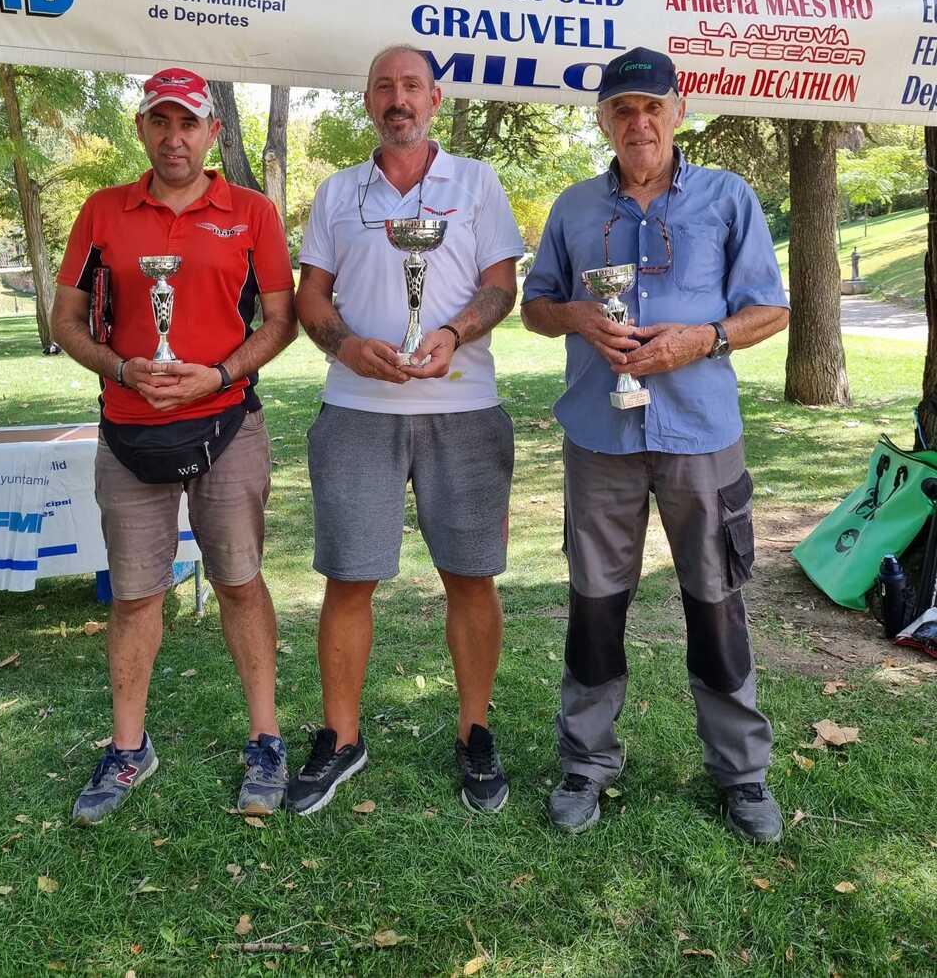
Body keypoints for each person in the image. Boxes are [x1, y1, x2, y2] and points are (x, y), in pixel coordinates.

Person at [521, 47, 790, 842]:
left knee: (716, 603)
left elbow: (769, 309)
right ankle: (587, 763)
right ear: (603, 120)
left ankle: (742, 775)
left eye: (651, 107)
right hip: (599, 435)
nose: (637, 122)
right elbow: (536, 307)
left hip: (700, 434)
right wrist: (578, 316)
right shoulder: (574, 208)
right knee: (596, 607)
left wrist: (701, 338)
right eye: (621, 110)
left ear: (678, 111)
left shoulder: (726, 198)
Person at [52, 67, 297, 826]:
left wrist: (216, 374)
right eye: (159, 122)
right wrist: (124, 367)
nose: (174, 137)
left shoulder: (252, 212)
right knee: (134, 596)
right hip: (129, 430)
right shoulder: (102, 212)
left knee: (240, 582)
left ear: (212, 132)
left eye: (187, 122)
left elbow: (281, 320)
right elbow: (66, 321)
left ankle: (266, 737)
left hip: (227, 424)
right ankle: (129, 747)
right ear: (141, 130)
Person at [289, 45, 524, 815]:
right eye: (384, 86)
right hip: (359, 410)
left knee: (470, 575)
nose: (399, 99)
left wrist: (452, 334)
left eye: (412, 86)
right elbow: (311, 298)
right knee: (349, 577)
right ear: (367, 101)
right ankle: (342, 737)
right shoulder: (336, 193)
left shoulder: (478, 183)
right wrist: (345, 343)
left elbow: (500, 287)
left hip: (462, 407)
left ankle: (476, 732)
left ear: (435, 98)